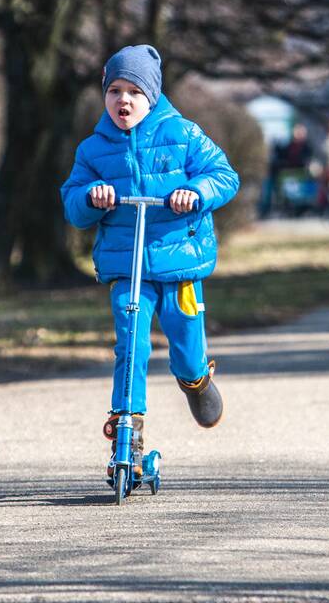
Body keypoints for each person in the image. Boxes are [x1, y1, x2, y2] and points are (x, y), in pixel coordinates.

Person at [60, 44, 240, 479]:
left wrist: (195, 192)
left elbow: (224, 175)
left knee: (185, 343)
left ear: (153, 96)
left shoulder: (183, 134)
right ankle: (128, 428)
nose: (123, 100)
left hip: (180, 263)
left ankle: (196, 381)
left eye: (134, 92)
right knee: (132, 342)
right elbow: (73, 203)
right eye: (115, 90)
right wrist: (91, 197)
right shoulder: (94, 150)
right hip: (128, 266)